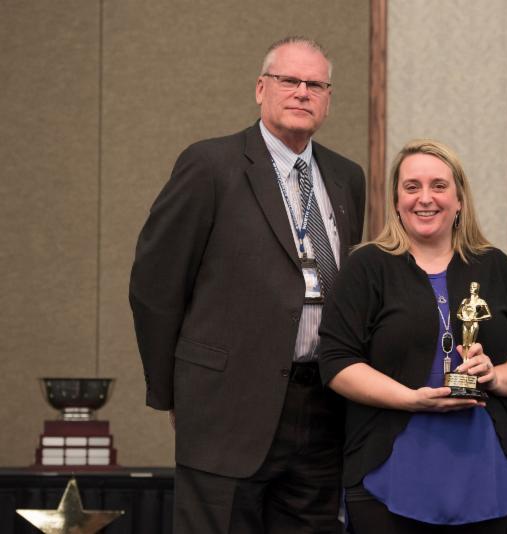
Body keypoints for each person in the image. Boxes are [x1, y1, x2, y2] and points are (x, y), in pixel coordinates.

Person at [129, 36, 365, 534]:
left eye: (315, 84)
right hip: (224, 409)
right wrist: (175, 392)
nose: (302, 92)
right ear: (261, 89)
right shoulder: (210, 165)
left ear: (328, 99)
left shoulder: (347, 177)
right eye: (289, 80)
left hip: (322, 409)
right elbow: (155, 285)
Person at [317, 139, 507, 533]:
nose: (425, 198)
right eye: (412, 187)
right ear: (396, 201)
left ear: (459, 200)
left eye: (439, 186)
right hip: (388, 470)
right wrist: (409, 399)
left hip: (486, 472)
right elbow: (337, 362)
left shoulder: (494, 266)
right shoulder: (367, 266)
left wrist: (495, 375)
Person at [457, 281, 492, 349]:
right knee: (464, 344)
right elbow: (458, 314)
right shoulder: (465, 301)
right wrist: (463, 318)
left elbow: (489, 315)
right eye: (471, 287)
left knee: (471, 345)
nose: (471, 288)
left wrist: (476, 319)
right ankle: (464, 356)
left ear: (478, 289)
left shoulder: (481, 301)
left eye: (474, 287)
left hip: (474, 324)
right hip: (465, 323)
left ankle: (469, 355)